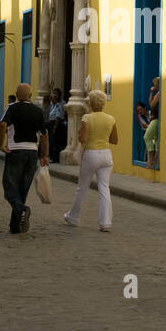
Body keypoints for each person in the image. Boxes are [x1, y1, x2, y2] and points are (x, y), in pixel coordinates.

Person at [0, 83, 49, 234]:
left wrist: (1, 144)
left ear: (16, 94)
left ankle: (22, 209)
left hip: (15, 150)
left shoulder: (12, 107)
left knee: (9, 187)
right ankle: (15, 226)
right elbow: (44, 135)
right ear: (31, 95)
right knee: (22, 189)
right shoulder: (38, 111)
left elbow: (2, 125)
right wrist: (44, 155)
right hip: (32, 152)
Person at [64, 89, 117, 232]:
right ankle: (105, 223)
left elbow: (83, 139)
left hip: (91, 154)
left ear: (91, 103)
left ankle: (73, 216)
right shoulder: (111, 119)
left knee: (82, 187)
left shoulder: (87, 118)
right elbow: (114, 140)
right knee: (104, 188)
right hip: (106, 155)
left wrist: (81, 133)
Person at [47, 87, 67, 162]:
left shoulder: (62, 103)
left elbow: (60, 115)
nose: (54, 95)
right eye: (53, 93)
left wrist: (55, 127)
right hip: (51, 122)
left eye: (56, 93)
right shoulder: (52, 103)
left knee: (56, 141)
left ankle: (56, 158)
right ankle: (52, 156)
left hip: (58, 123)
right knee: (51, 140)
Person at [145, 76, 161, 170]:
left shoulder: (159, 93)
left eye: (154, 84)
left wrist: (151, 92)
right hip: (156, 118)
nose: (153, 86)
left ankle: (151, 159)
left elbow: (151, 104)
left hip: (156, 119)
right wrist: (152, 92)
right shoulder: (158, 93)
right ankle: (155, 158)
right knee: (156, 139)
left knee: (147, 137)